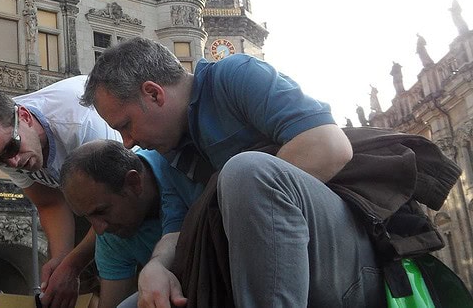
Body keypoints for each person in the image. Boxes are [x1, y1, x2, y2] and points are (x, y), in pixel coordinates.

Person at [81, 37, 385, 307]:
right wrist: (157, 266)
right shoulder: (165, 151)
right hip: (242, 272)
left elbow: (330, 146)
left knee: (244, 171)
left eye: (125, 125)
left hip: (340, 264)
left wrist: (230, 199)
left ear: (154, 94)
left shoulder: (235, 75)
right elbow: (178, 229)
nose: (128, 142)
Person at [0, 76, 121, 308]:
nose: (13, 163)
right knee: (72, 281)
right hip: (82, 194)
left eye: (12, 148)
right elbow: (50, 203)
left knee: (113, 274)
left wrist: (71, 266)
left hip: (126, 186)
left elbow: (114, 209)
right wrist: (61, 260)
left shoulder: (80, 123)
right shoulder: (5, 142)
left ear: (24, 116)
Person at [59, 140, 203, 308]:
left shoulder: (182, 168)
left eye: (101, 211)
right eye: (87, 217)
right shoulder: (112, 233)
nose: (98, 230)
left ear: (134, 183)